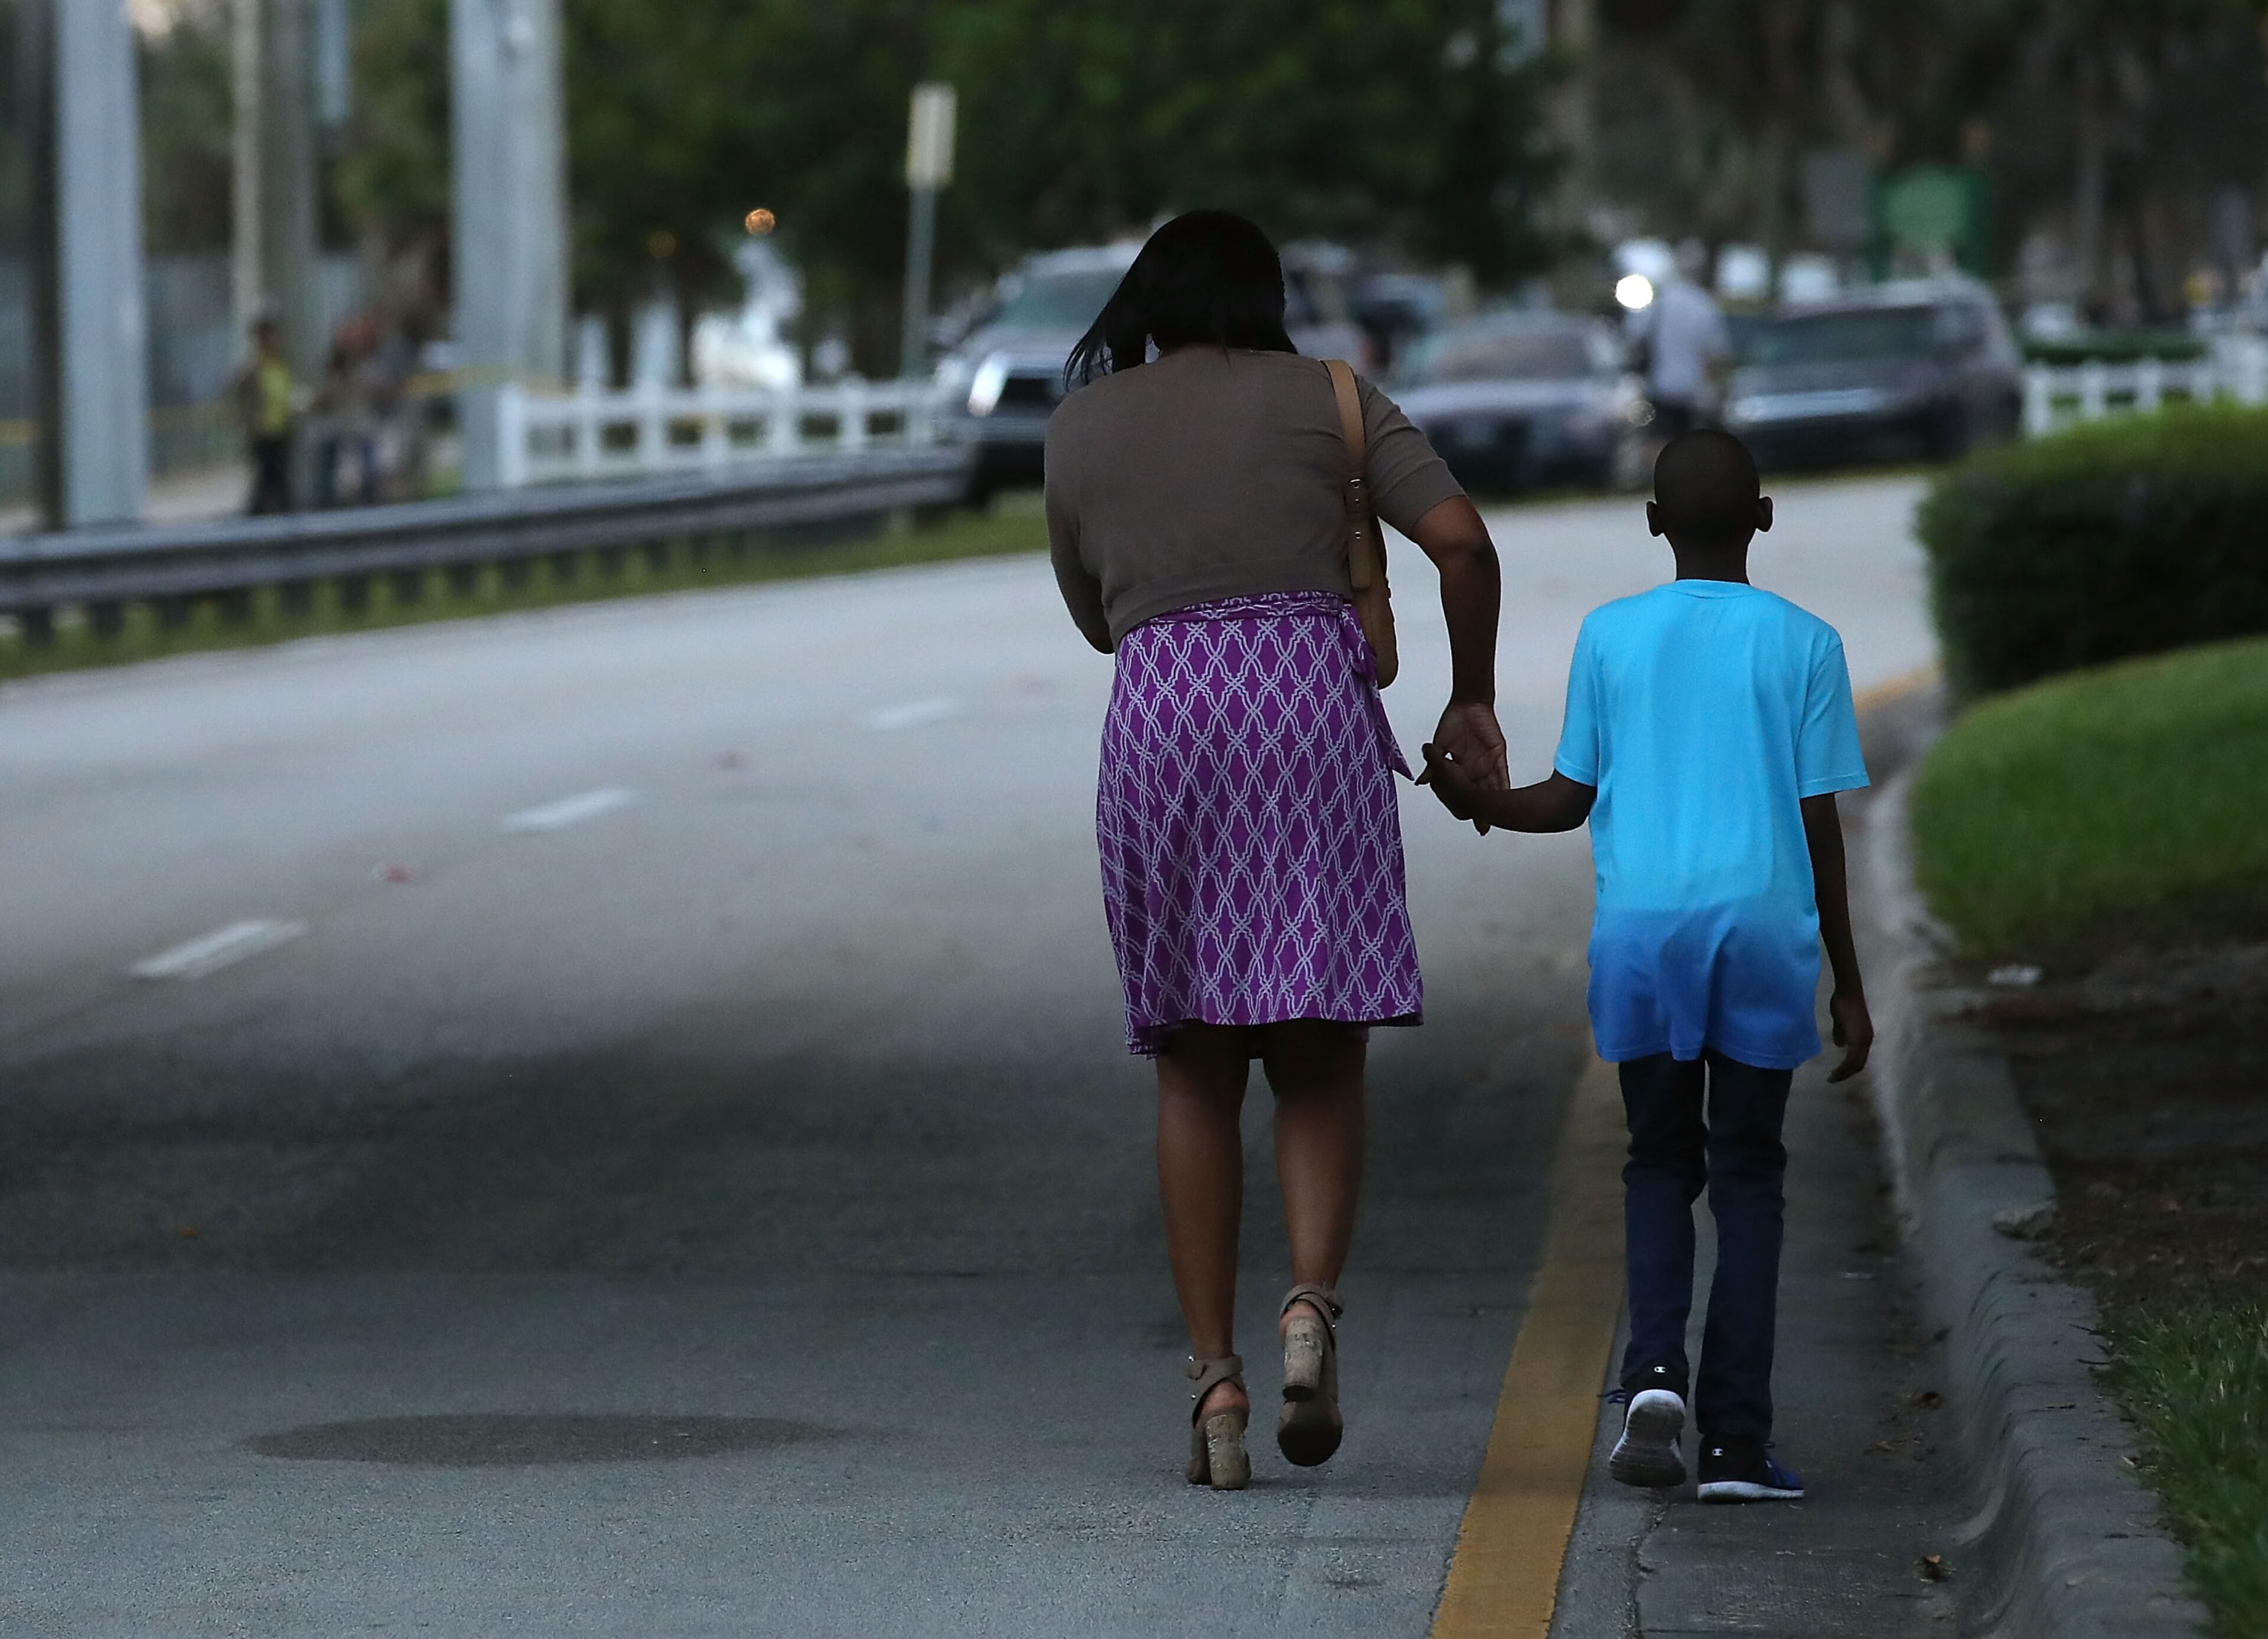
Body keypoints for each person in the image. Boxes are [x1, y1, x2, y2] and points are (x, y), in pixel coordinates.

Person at [1045, 210, 1509, 1491]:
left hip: (1164, 714)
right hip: (1310, 706)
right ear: (1268, 299)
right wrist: (1470, 694)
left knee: (1194, 1063)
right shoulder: (1336, 400)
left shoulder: (1083, 424)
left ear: (1145, 303)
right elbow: (1461, 541)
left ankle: (1218, 1383)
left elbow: (1096, 619)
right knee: (1317, 1051)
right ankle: (1309, 1307)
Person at [1419, 429, 1874, 1504]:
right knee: (1750, 1174)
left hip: (1644, 935)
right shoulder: (1807, 643)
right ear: (1762, 518)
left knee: (1659, 1162)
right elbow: (1821, 828)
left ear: (1654, 523)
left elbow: (1566, 800)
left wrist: (1474, 799)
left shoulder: (1610, 637)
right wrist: (1848, 980)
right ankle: (1735, 1446)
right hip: (1764, 933)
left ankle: (1655, 1374)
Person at [1627, 249, 1731, 436]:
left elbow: (1634, 336)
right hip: (1693, 390)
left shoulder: (1660, 304)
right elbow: (1717, 354)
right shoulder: (1705, 307)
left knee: (1658, 438)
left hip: (1661, 385)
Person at [234, 317, 296, 514]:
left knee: (276, 480)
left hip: (282, 430)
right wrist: (248, 423)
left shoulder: (281, 365)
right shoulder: (252, 369)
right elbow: (241, 398)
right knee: (268, 479)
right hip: (262, 433)